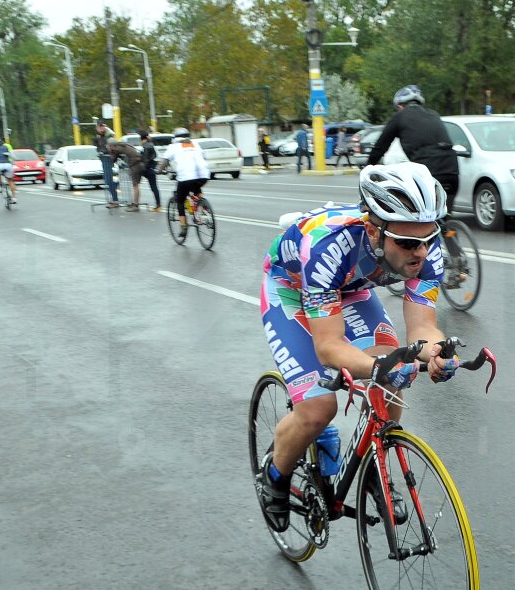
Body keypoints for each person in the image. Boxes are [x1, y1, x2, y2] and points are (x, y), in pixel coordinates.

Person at [255, 163, 455, 532]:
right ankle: (275, 476)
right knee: (318, 409)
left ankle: (376, 471)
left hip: (350, 287)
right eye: (409, 243)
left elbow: (423, 328)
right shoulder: (328, 246)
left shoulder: (428, 249)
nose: (422, 253)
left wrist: (437, 353)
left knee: (395, 372)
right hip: (293, 288)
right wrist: (378, 367)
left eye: (429, 239)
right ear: (373, 231)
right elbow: (329, 346)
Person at [365, 85, 459, 213]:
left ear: (400, 106)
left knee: (412, 211)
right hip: (452, 170)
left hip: (428, 170)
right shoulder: (434, 114)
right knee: (445, 214)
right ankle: (450, 230)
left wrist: (368, 166)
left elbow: (381, 146)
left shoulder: (400, 116)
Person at [157, 127, 210, 238]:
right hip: (204, 176)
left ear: (175, 137)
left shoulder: (173, 147)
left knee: (180, 200)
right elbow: (204, 157)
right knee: (196, 189)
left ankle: (183, 226)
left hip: (186, 177)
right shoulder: (195, 144)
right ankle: (204, 210)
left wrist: (158, 170)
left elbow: (164, 161)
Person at [107, 139, 147, 211]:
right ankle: (135, 203)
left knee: (135, 186)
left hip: (135, 165)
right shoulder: (123, 145)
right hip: (140, 164)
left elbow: (113, 159)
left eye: (109, 146)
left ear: (112, 146)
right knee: (136, 185)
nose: (109, 147)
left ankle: (135, 205)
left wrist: (110, 152)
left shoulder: (116, 149)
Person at [94, 121, 120, 208]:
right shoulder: (99, 135)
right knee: (107, 181)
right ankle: (114, 198)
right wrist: (99, 150)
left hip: (109, 160)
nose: (102, 128)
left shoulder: (109, 135)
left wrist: (103, 152)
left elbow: (111, 147)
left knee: (109, 181)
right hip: (104, 160)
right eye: (100, 126)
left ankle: (115, 200)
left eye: (103, 126)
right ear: (97, 127)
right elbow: (98, 147)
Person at [138, 131, 163, 212]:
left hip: (148, 169)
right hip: (152, 168)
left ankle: (158, 206)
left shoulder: (146, 147)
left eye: (140, 140)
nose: (140, 142)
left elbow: (145, 160)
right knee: (154, 187)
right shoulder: (150, 145)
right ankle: (158, 205)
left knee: (154, 188)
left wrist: (142, 169)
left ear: (143, 140)